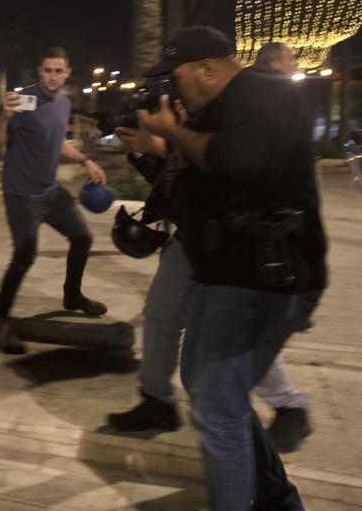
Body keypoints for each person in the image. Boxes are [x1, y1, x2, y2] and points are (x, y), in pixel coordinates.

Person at [137, 26, 325, 510]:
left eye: (174, 78)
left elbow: (237, 159)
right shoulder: (216, 110)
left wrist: (173, 132)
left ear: (208, 68)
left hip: (264, 281)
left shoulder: (263, 92)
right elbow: (196, 189)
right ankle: (278, 500)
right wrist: (162, 145)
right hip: (226, 276)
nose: (171, 90)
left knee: (217, 404)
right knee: (208, 389)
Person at [109, 120, 313, 452]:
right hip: (189, 237)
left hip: (232, 242)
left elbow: (228, 169)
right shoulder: (183, 118)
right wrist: (148, 156)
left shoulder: (233, 110)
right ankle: (157, 401)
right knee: (160, 316)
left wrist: (163, 147)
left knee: (237, 328)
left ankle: (289, 406)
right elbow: (179, 187)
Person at [0, 47, 109, 354]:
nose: (52, 77)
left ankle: (73, 295)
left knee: (82, 237)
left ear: (67, 72)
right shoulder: (23, 100)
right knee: (24, 257)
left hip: (50, 191)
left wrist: (86, 161)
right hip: (21, 195)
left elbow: (57, 141)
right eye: (47, 70)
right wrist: (4, 117)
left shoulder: (64, 101)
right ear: (39, 71)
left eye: (58, 71)